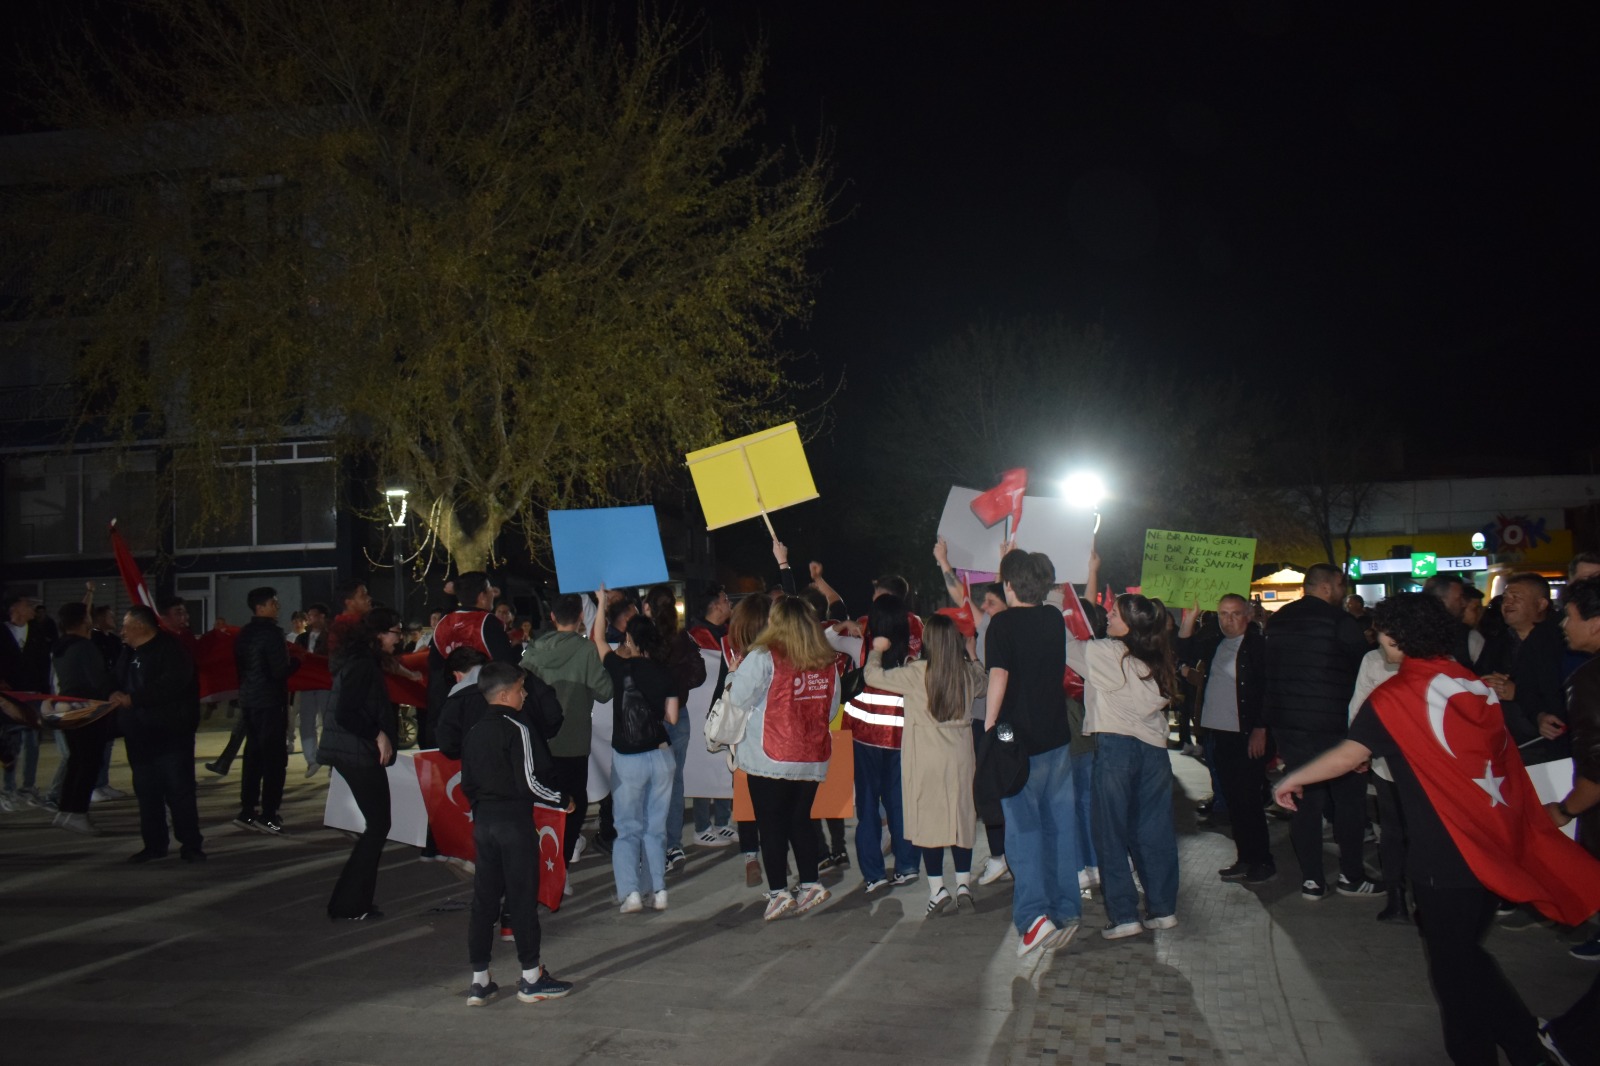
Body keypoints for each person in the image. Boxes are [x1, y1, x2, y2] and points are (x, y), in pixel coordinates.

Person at [1275, 592, 1600, 1066]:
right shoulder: (1468, 683)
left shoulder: (1398, 694)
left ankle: (1525, 1048)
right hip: (1490, 844)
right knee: (1460, 964)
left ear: (1393, 636)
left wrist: (1293, 777)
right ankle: (1514, 1048)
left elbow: (1351, 753)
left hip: (1444, 853)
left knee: (1456, 968)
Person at [461, 661, 574, 1006]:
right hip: (514, 824)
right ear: (507, 694)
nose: (525, 695)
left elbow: (467, 784)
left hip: (484, 823)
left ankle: (479, 980)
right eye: (522, 689)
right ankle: (531, 977)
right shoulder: (517, 728)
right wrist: (562, 800)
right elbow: (529, 782)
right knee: (522, 898)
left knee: (484, 899)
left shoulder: (474, 730)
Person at [984, 549, 1080, 956]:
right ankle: (1066, 910)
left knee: (1022, 831)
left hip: (1015, 741)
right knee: (1059, 826)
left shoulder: (1000, 624)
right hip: (1055, 737)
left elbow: (999, 678)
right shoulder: (1052, 618)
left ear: (1007, 585)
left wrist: (989, 726)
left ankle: (1033, 919)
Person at [1075, 585, 1181, 941]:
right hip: (1154, 751)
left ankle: (1123, 916)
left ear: (1130, 625)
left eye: (1114, 614)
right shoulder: (1156, 658)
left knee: (1111, 833)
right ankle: (1162, 909)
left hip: (1116, 747)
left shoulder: (1109, 653)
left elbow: (1064, 647)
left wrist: (1057, 606)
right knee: (1154, 832)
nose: (1107, 616)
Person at [1263, 562, 1374, 900]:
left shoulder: (1278, 620)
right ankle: (1351, 876)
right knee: (1348, 803)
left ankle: (1312, 880)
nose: (1344, 592)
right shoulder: (1342, 623)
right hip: (1335, 728)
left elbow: (1269, 671)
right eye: (1341, 586)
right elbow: (1363, 671)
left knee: (1303, 802)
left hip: (1290, 726)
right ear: (1327, 587)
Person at [864, 613, 987, 916]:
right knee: (961, 818)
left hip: (925, 756)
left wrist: (876, 650)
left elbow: (872, 677)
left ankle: (937, 891)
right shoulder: (966, 673)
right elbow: (984, 684)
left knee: (929, 822)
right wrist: (973, 656)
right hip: (960, 755)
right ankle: (963, 886)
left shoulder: (916, 672)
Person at [728, 596, 839, 920]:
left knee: (771, 826)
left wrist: (733, 675)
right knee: (801, 821)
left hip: (771, 757)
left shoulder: (764, 656)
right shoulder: (827, 662)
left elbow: (738, 698)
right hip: (812, 756)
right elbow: (830, 710)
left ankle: (779, 893)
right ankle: (810, 884)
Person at [590, 593, 680, 913]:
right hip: (661, 755)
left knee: (627, 829)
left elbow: (598, 638)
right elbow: (671, 717)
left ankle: (629, 893)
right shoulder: (665, 671)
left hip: (628, 758)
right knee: (655, 829)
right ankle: (659, 890)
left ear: (628, 637)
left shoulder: (619, 668)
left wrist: (601, 603)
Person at [1178, 593, 1274, 884]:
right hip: (1218, 733)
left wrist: (1261, 728)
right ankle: (1245, 858)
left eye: (1234, 614)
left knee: (1249, 801)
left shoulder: (1258, 646)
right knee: (1233, 801)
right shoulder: (1215, 643)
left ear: (1248, 615)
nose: (1227, 620)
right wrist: (1191, 618)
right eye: (1222, 614)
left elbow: (1269, 691)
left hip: (1245, 734)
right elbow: (1184, 649)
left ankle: (1262, 861)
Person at [318, 607, 403, 920]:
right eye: (395, 632)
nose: (399, 638)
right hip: (355, 752)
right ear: (378, 635)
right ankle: (349, 904)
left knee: (377, 825)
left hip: (352, 750)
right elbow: (347, 713)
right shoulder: (362, 665)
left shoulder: (360, 661)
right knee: (379, 825)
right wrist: (378, 734)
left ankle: (354, 902)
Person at [523, 593, 613, 866]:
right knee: (575, 800)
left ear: (552, 617)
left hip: (539, 740)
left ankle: (547, 859)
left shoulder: (535, 650)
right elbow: (605, 691)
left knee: (543, 801)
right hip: (574, 739)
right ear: (579, 619)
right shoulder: (585, 650)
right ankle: (565, 855)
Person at [110, 606, 205, 862]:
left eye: (126, 626)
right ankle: (154, 845)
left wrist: (135, 699)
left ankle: (191, 845)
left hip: (171, 734)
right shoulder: (128, 652)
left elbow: (172, 685)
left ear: (141, 627)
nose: (122, 632)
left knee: (179, 791)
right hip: (139, 735)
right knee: (146, 792)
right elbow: (117, 680)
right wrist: (115, 694)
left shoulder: (171, 650)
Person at [844, 595, 921, 892]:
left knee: (867, 806)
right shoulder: (915, 647)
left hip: (866, 737)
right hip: (903, 736)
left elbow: (826, 638)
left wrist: (846, 624)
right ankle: (907, 865)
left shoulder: (860, 644)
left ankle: (874, 874)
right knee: (901, 805)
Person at [643, 584, 707, 872]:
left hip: (652, 718)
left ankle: (656, 848)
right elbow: (699, 672)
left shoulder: (645, 639)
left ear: (649, 608)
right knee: (675, 782)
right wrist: (679, 688)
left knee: (651, 784)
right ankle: (674, 845)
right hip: (678, 715)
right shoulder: (682, 638)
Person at [1474, 572, 1567, 765]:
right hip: (1507, 744)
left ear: (1541, 604)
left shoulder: (1562, 640)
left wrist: (1517, 690)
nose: (1508, 603)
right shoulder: (1498, 641)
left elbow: (1566, 691)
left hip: (1548, 745)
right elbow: (1477, 675)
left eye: (1517, 598)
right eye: (1506, 598)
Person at [232, 587, 300, 834]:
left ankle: (247, 810)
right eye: (273, 602)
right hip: (270, 702)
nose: (277, 606)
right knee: (274, 760)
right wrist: (297, 663)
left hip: (249, 701)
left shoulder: (244, 633)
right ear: (261, 606)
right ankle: (269, 814)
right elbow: (279, 671)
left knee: (252, 757)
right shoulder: (272, 634)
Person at [49, 602, 118, 834]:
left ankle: (66, 810)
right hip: (88, 711)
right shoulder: (84, 647)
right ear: (83, 621)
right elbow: (98, 681)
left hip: (68, 709)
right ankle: (78, 812)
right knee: (88, 762)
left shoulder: (60, 647)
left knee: (76, 762)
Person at [725, 592, 773, 887]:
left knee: (746, 804)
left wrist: (731, 676)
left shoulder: (741, 658)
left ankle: (750, 858)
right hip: (775, 742)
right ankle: (773, 859)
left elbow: (732, 698)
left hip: (744, 742)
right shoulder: (778, 654)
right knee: (771, 808)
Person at [686, 583, 737, 846]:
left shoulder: (729, 633)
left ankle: (723, 820)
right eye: (726, 599)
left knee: (724, 762)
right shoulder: (697, 636)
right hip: (702, 713)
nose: (729, 603)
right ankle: (702, 824)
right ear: (715, 605)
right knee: (703, 762)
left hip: (726, 709)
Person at [1, 592, 52, 809]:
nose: (32, 608)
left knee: (32, 743)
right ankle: (7, 790)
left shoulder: (38, 632)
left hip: (34, 695)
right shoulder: (2, 632)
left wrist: (46, 694)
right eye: (26, 605)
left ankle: (28, 787)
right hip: (9, 697)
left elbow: (44, 664)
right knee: (9, 743)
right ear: (15, 609)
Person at [295, 603, 332, 777]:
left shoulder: (332, 636)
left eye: (313, 615)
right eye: (309, 616)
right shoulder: (302, 638)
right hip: (307, 684)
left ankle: (331, 759)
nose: (310, 619)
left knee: (328, 721)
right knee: (306, 721)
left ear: (322, 616)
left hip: (325, 683)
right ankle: (312, 759)